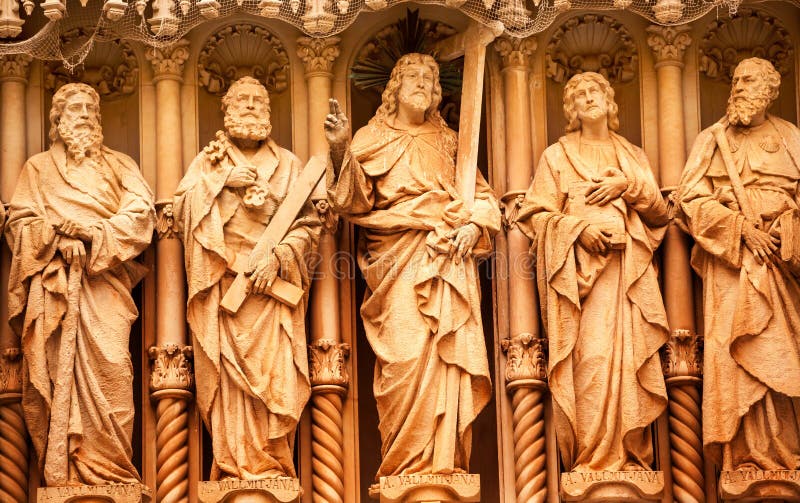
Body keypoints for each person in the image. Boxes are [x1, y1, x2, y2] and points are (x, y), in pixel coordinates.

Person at [324, 53, 500, 479]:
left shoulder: (451, 141)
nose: (423, 84)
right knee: (404, 357)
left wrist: (474, 227)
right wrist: (339, 146)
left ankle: (443, 463)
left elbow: (485, 198)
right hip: (395, 258)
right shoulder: (372, 136)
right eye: (414, 77)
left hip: (447, 258)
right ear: (395, 88)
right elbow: (352, 201)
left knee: (447, 359)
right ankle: (405, 464)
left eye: (430, 78)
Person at [516, 72, 670, 472]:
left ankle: (629, 455)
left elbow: (660, 213)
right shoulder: (558, 155)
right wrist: (578, 230)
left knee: (628, 363)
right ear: (570, 109)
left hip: (627, 277)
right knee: (593, 360)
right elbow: (532, 215)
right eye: (579, 95)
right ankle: (593, 457)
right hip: (580, 281)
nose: (588, 99)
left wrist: (628, 187)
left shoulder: (632, 155)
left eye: (594, 91)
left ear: (609, 100)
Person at [6, 83, 154, 485]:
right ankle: (69, 473)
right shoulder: (38, 168)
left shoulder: (120, 165)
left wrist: (93, 232)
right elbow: (20, 221)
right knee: (56, 376)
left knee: (115, 370)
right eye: (75, 107)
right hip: (56, 289)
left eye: (91, 107)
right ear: (58, 119)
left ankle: (112, 470)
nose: (85, 113)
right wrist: (59, 239)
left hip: (105, 283)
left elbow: (143, 215)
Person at [174, 76, 321, 480]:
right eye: (243, 100)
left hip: (272, 294)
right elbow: (180, 213)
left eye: (259, 100)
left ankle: (271, 464)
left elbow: (311, 224)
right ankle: (235, 464)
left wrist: (279, 257)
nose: (252, 106)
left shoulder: (290, 165)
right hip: (224, 291)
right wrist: (222, 181)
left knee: (275, 384)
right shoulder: (209, 162)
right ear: (227, 109)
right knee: (229, 383)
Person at [677, 57, 800, 472]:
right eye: (734, 81)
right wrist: (740, 229)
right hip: (733, 262)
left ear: (770, 88)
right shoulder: (712, 140)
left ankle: (786, 452)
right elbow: (689, 201)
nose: (738, 87)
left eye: (748, 80)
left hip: (782, 263)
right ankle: (746, 453)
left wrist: (789, 229)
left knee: (784, 355)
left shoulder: (790, 138)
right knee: (738, 353)